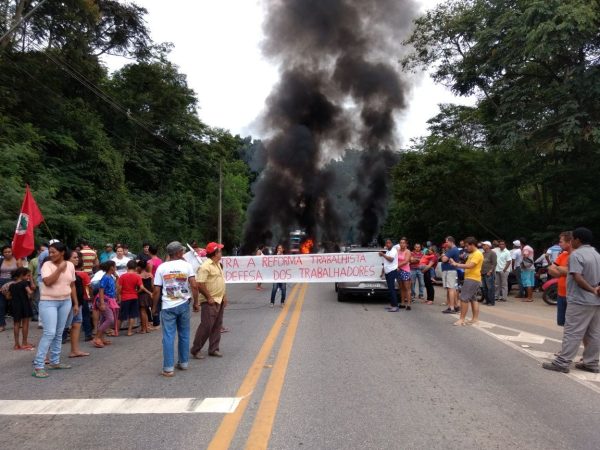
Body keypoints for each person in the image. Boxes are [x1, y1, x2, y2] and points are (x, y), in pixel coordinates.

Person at [543, 228, 600, 373]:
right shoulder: (596, 254)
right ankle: (591, 363)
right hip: (595, 301)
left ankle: (562, 362)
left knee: (573, 332)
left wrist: (591, 289)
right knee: (593, 333)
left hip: (580, 300)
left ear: (578, 240)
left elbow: (577, 276)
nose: (571, 240)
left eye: (573, 238)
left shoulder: (576, 255)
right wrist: (596, 289)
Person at [32, 242, 77, 378]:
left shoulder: (70, 265)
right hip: (48, 302)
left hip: (66, 301)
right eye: (49, 252)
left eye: (53, 252)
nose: (50, 255)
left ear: (62, 252)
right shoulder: (46, 265)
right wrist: (59, 269)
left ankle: (54, 361)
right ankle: (39, 365)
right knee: (49, 333)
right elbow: (48, 282)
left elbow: (72, 285)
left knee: (59, 332)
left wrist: (75, 303)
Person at [153, 241, 198, 376]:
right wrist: (196, 303)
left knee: (168, 336)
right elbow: (194, 286)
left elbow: (156, 290)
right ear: (178, 253)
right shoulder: (187, 266)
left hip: (167, 305)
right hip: (183, 304)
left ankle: (168, 368)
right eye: (182, 251)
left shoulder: (162, 267)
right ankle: (183, 363)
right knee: (184, 334)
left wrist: (154, 307)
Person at [191, 242, 228, 358]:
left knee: (217, 325)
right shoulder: (205, 266)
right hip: (210, 301)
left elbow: (221, 282)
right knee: (206, 326)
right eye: (220, 251)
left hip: (219, 299)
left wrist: (224, 296)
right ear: (215, 253)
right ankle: (195, 349)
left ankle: (214, 348)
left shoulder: (217, 264)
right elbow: (199, 284)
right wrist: (209, 297)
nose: (221, 253)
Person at [450, 237, 484, 326]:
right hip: (473, 278)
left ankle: (462, 319)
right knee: (473, 298)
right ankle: (475, 319)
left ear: (472, 245)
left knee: (464, 298)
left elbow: (470, 266)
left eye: (467, 246)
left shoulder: (477, 254)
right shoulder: (473, 253)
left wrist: (456, 264)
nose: (466, 248)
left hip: (472, 279)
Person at [65, 250, 90, 358]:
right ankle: (45, 356)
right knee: (58, 329)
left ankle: (74, 350)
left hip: (77, 303)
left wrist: (77, 303)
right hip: (67, 303)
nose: (77, 259)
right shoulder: (64, 271)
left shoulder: (74, 272)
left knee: (77, 324)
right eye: (74, 257)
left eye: (77, 257)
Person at [117, 260, 152, 336]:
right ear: (135, 268)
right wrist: (136, 292)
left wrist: (119, 294)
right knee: (132, 315)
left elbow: (119, 288)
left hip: (125, 297)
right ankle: (129, 331)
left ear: (127, 267)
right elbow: (142, 287)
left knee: (121, 315)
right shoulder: (137, 276)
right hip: (134, 297)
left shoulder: (122, 276)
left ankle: (116, 331)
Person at [547, 232, 572, 327]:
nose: (559, 244)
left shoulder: (576, 256)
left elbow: (572, 272)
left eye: (561, 242)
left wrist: (559, 269)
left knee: (573, 326)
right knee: (562, 323)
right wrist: (563, 270)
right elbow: (550, 270)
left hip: (572, 296)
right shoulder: (563, 255)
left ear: (569, 242)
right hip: (561, 294)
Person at [92, 261, 118, 348]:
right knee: (110, 319)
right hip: (104, 300)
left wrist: (117, 277)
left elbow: (114, 287)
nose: (116, 268)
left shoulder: (111, 277)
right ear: (111, 267)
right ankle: (97, 337)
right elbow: (101, 289)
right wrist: (102, 303)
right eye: (115, 266)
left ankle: (101, 338)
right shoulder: (106, 277)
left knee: (103, 319)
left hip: (109, 300)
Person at [8, 267, 35, 350]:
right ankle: (24, 342)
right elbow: (30, 292)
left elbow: (8, 296)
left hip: (15, 306)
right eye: (27, 275)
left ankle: (16, 344)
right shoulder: (24, 283)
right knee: (25, 324)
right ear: (21, 275)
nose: (28, 277)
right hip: (24, 305)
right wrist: (31, 285)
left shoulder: (11, 285)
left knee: (16, 324)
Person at [1, 245, 24, 332]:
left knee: (15, 303)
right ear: (3, 253)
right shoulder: (1, 261)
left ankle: (18, 321)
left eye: (9, 251)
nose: (7, 253)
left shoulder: (17, 260)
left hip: (14, 283)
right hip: (1, 282)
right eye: (5, 252)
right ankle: (1, 324)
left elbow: (21, 272)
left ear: (12, 252)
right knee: (1, 304)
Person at [441, 237, 461, 314]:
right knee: (452, 288)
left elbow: (444, 259)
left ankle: (451, 307)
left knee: (450, 288)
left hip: (449, 271)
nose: (446, 243)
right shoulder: (453, 250)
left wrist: (443, 255)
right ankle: (455, 306)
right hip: (451, 271)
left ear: (451, 242)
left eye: (447, 242)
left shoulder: (452, 250)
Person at [379, 239, 399, 312]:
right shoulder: (387, 251)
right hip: (387, 271)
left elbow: (390, 259)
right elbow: (385, 263)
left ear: (392, 244)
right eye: (386, 243)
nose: (388, 244)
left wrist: (383, 254)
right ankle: (392, 305)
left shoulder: (393, 250)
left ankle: (395, 306)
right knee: (390, 289)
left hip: (392, 271)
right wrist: (382, 272)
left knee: (392, 289)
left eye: (389, 243)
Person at [136, 259, 153, 333]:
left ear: (139, 267)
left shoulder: (138, 276)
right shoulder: (150, 274)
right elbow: (152, 286)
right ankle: (147, 328)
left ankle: (143, 329)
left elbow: (140, 287)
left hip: (142, 295)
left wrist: (136, 292)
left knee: (142, 311)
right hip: (149, 294)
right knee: (146, 310)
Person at [395, 238, 412, 310]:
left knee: (407, 288)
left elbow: (406, 261)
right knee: (401, 288)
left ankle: (408, 304)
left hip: (405, 271)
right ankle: (402, 303)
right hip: (399, 271)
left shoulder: (408, 251)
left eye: (403, 243)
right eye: (401, 243)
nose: (402, 244)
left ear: (406, 244)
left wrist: (397, 266)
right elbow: (395, 259)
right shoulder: (397, 251)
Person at [480, 241, 497, 306]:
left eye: (484, 245)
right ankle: (487, 300)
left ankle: (491, 301)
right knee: (484, 287)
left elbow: (494, 263)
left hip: (489, 273)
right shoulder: (483, 253)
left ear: (488, 246)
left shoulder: (492, 253)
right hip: (483, 272)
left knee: (490, 287)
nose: (483, 246)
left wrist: (490, 271)